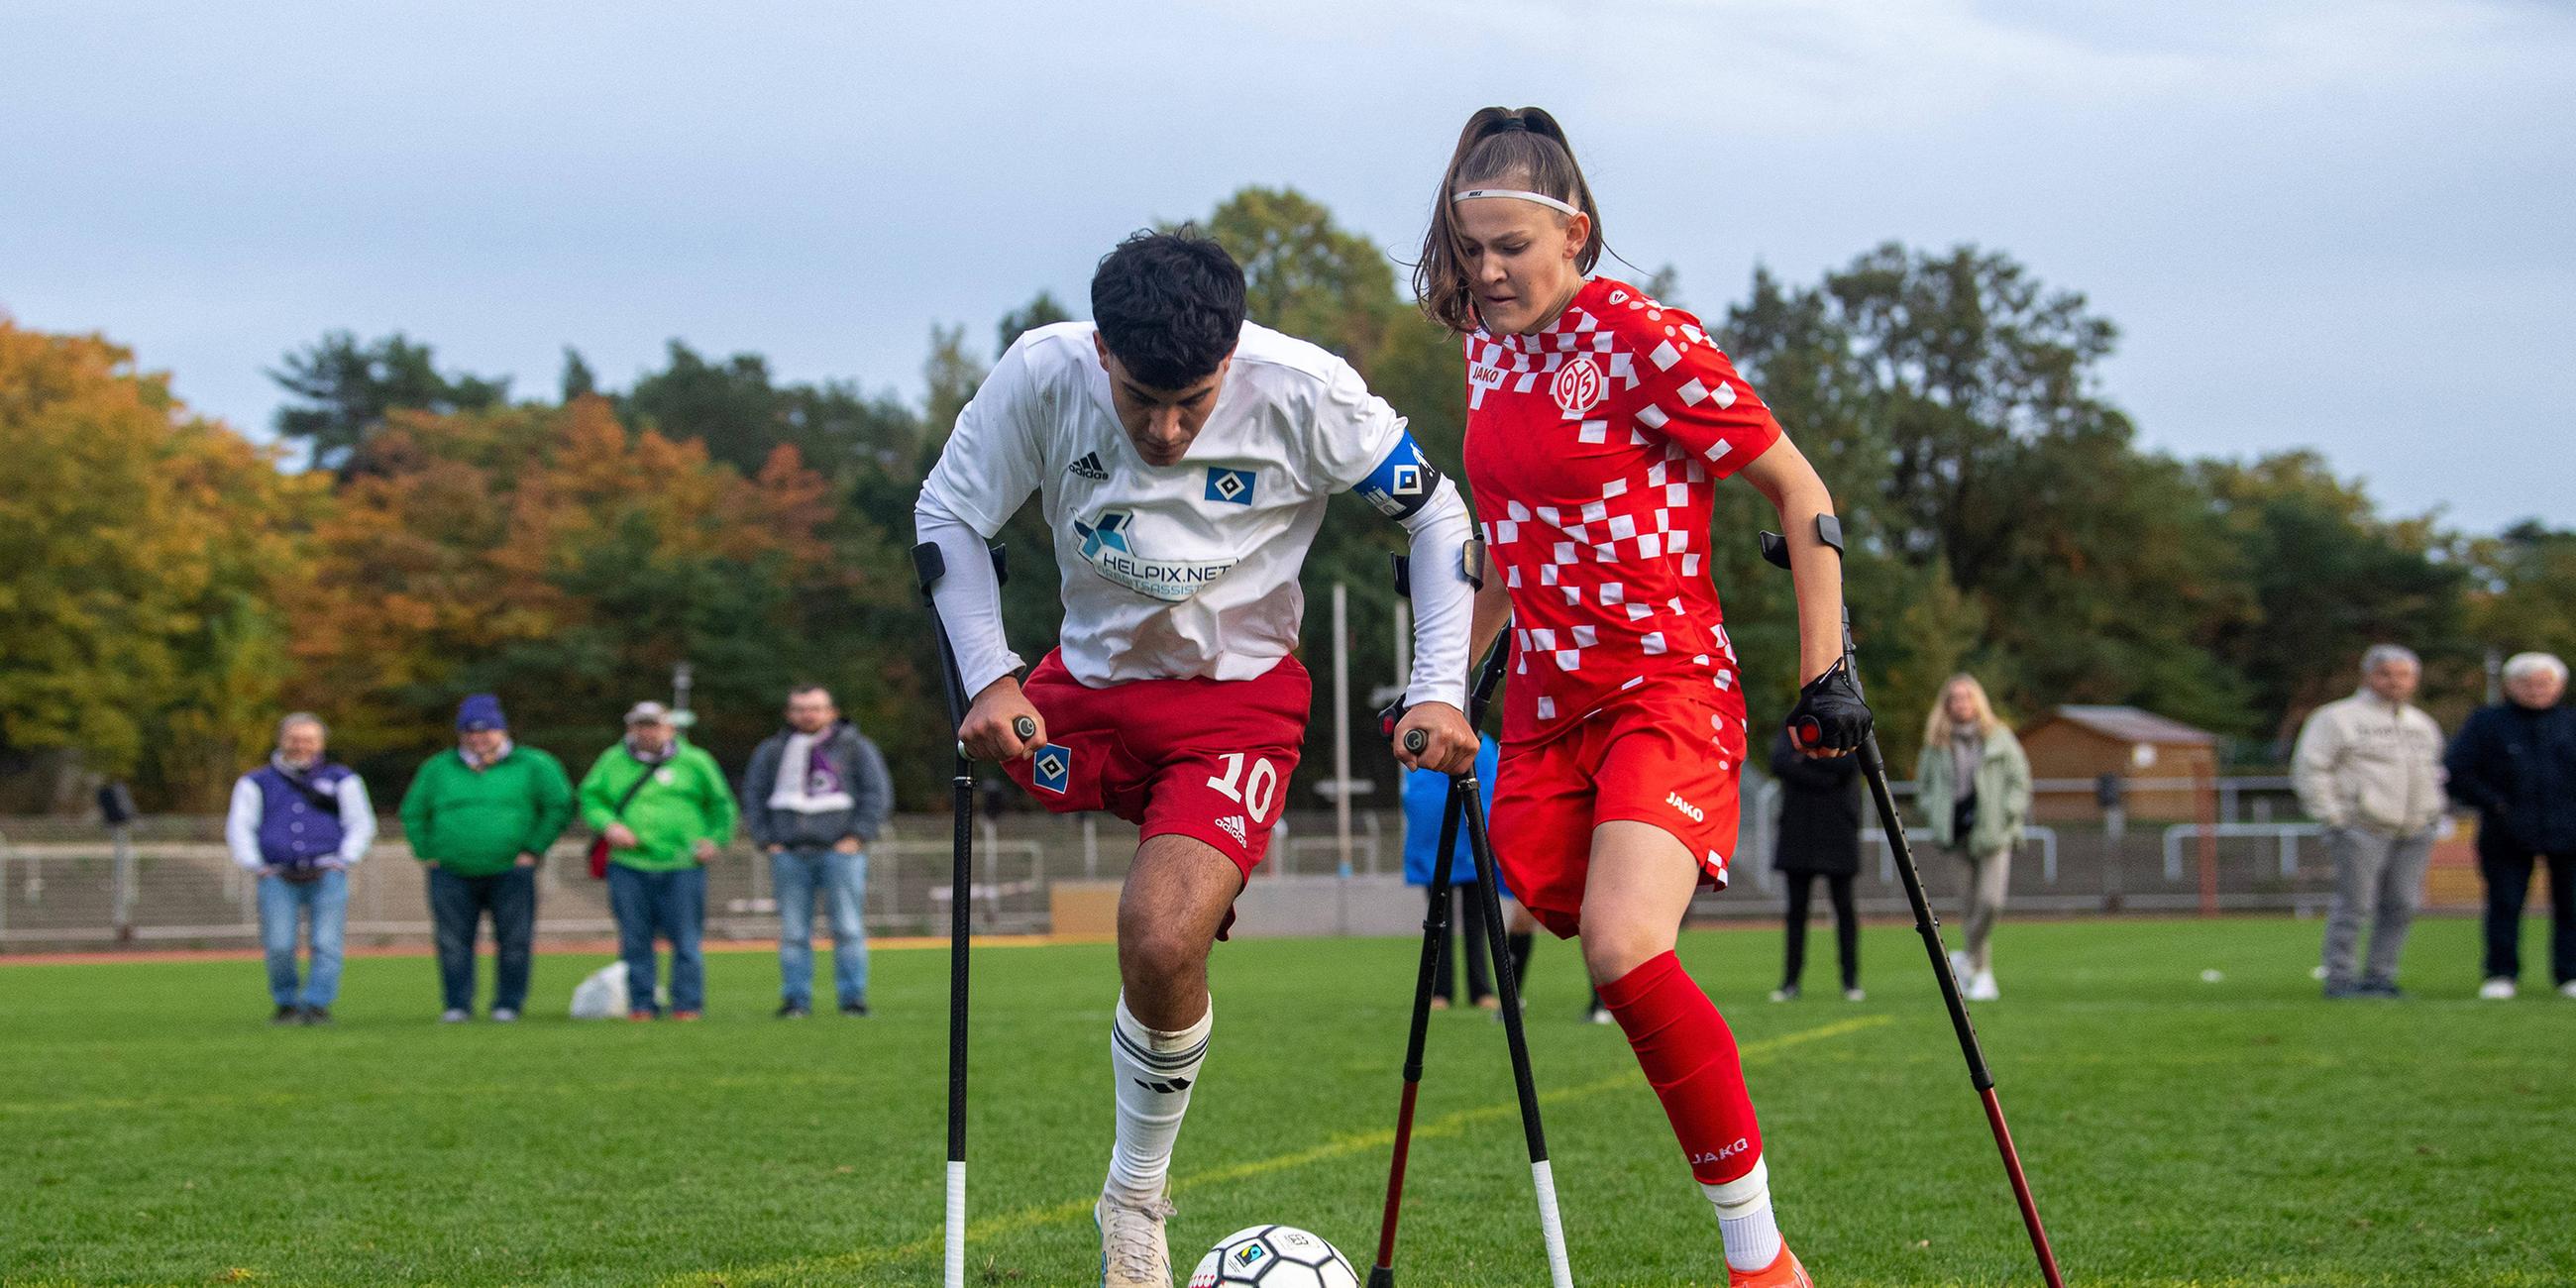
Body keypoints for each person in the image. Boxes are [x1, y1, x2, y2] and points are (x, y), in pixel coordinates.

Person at [914, 230, 1478, 1286]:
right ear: (1100, 353)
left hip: (1237, 703)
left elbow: (1434, 512)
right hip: (1077, 700)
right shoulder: (1041, 372)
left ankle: (1132, 1198)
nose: (1166, 430)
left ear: (1233, 356)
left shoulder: (1308, 391)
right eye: (1140, 402)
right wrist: (988, 674)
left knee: (1161, 937)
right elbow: (947, 510)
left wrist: (1437, 684)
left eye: (1195, 400)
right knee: (1103, 867)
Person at [1416, 106, 1874, 1288]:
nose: (1488, 270)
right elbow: (1507, 544)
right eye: (1472, 250)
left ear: (1575, 232)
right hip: (1546, 705)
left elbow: (1796, 487)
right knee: (1561, 920)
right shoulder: (1483, 342)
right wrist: (1442, 681)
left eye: (1512, 246)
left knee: (1624, 948)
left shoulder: (1643, 337)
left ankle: (1760, 1260)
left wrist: (1825, 667)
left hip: (1663, 685)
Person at [399, 694, 572, 1023]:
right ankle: (457, 1005)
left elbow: (558, 806)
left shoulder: (534, 764)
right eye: (470, 732)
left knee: (515, 940)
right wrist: (428, 852)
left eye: (486, 731)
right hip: (450, 870)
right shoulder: (438, 768)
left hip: (511, 868)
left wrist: (533, 849)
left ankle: (508, 1004)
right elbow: (413, 812)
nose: (478, 739)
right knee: (452, 942)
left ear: (503, 731)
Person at [2295, 644, 2446, 1000]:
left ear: (2415, 680)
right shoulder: (2336, 718)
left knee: (2403, 905)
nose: (2395, 682)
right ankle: (2341, 979)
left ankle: (2381, 977)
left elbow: (2436, 772)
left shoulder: (2421, 724)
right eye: (2386, 673)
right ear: (2368, 676)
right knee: (2355, 904)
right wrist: (2334, 817)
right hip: (2361, 828)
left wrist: (2431, 814)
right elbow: (2311, 768)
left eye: (2404, 675)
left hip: (2413, 830)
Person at [579, 700, 738, 1021]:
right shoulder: (612, 761)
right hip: (629, 864)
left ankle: (687, 1005)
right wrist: (609, 824)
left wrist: (715, 838)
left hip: (682, 864)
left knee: (686, 941)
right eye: (640, 725)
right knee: (635, 940)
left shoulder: (695, 761)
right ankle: (641, 1004)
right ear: (630, 728)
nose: (647, 731)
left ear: (669, 728)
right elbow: (590, 797)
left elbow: (722, 805)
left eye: (653, 725)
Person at [742, 685, 893, 1018]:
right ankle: (796, 1001)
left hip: (841, 852)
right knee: (794, 932)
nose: (807, 714)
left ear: (831, 712)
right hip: (790, 854)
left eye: (815, 708)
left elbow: (877, 793)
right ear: (788, 713)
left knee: (849, 928)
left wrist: (857, 837)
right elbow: (753, 796)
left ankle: (852, 1000)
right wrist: (768, 840)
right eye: (800, 708)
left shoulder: (855, 748)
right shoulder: (771, 751)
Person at [224, 712, 376, 1024]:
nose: (300, 746)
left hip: (326, 872)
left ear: (320, 743)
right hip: (277, 874)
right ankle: (287, 1003)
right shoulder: (256, 781)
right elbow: (240, 825)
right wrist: (255, 864)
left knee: (326, 943)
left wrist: (344, 859)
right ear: (281, 740)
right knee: (279, 944)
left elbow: (360, 823)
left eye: (308, 740)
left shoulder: (342, 779)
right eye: (294, 739)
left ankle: (317, 1004)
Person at [2444, 651, 2575, 1000]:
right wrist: (2495, 805)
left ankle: (2569, 975)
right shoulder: (2486, 724)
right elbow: (2458, 771)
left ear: (2559, 686)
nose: (2536, 690)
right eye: (2527, 683)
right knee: (2504, 904)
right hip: (2506, 832)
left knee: (2572, 906)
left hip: (2569, 831)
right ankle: (2501, 974)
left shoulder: (2570, 723)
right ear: (2510, 685)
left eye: (2544, 683)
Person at [1913, 674, 2031, 1004]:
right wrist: (1933, 813)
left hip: (1993, 830)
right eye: (1954, 698)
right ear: (1946, 704)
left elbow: (2019, 779)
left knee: (1991, 902)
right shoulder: (1937, 743)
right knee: (1969, 906)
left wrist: (2009, 812)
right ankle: (1982, 974)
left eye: (1966, 697)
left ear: (1977, 701)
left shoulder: (1999, 738)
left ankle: (1967, 957)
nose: (1960, 703)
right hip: (1955, 832)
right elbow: (1924, 788)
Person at [1402, 732, 1532, 1011]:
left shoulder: (1480, 745)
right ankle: (1439, 991)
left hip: (1473, 847)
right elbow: (1420, 797)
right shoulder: (1430, 740)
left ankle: (1480, 989)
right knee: (1437, 923)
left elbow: (1490, 791)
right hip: (1437, 848)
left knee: (1477, 922)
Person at [1768, 726, 1864, 1004]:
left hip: (1838, 830)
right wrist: (1824, 768)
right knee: (1796, 911)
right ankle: (1790, 982)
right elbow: (1780, 763)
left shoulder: (1845, 724)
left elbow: (1848, 764)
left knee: (1844, 909)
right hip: (1798, 831)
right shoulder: (1795, 725)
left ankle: (1850, 981)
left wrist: (1804, 760)